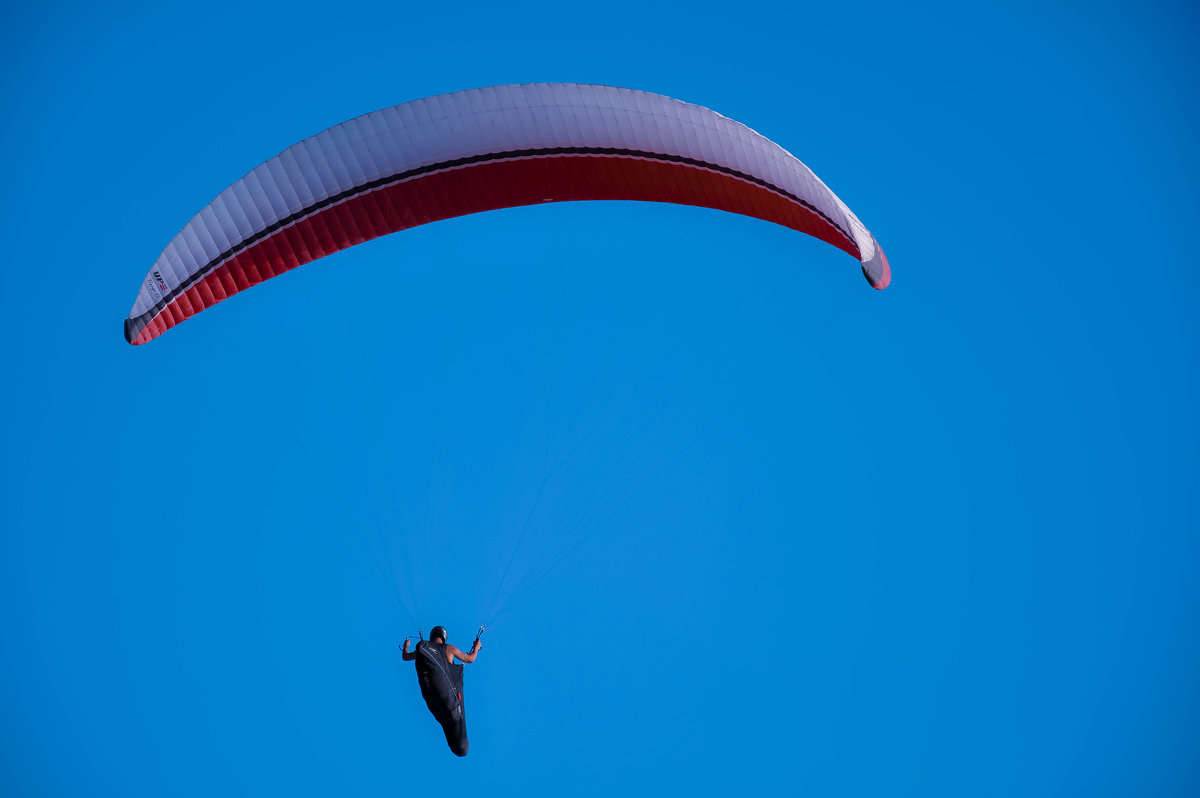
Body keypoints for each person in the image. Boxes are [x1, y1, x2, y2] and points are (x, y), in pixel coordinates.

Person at [401, 626, 482, 756]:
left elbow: (405, 657)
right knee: (460, 744)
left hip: (433, 701)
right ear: (444, 638)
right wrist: (477, 647)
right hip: (448, 703)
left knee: (453, 731)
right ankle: (459, 744)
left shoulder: (424, 649)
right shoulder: (449, 649)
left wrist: (406, 645)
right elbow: (471, 659)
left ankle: (458, 744)